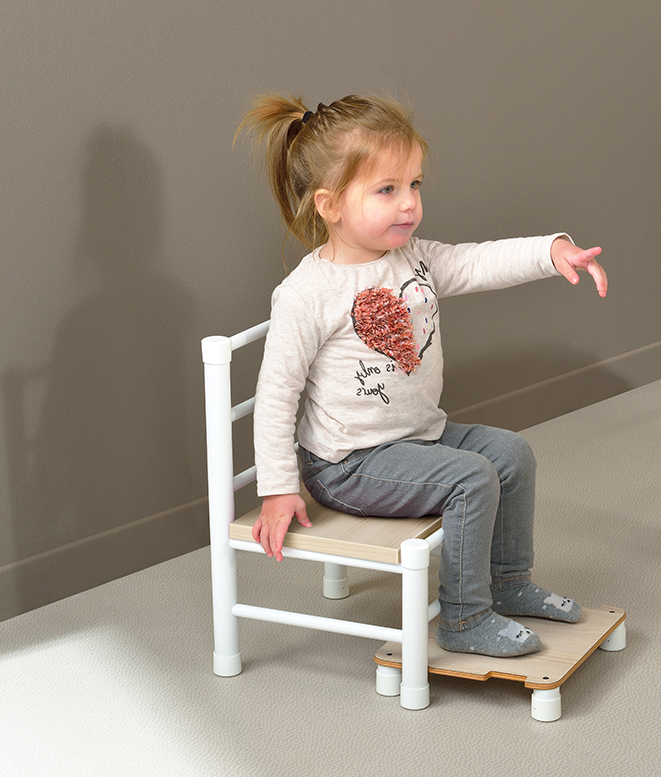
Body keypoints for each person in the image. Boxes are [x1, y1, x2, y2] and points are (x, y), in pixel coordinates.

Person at [237, 94, 607, 658]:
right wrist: (279, 487)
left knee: (512, 454)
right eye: (386, 190)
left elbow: (478, 261)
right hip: (349, 463)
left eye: (414, 184)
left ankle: (507, 583)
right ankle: (464, 616)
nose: (409, 203)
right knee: (471, 478)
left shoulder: (414, 258)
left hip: (417, 438)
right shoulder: (307, 294)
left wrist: (550, 251)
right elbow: (276, 396)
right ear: (329, 205)